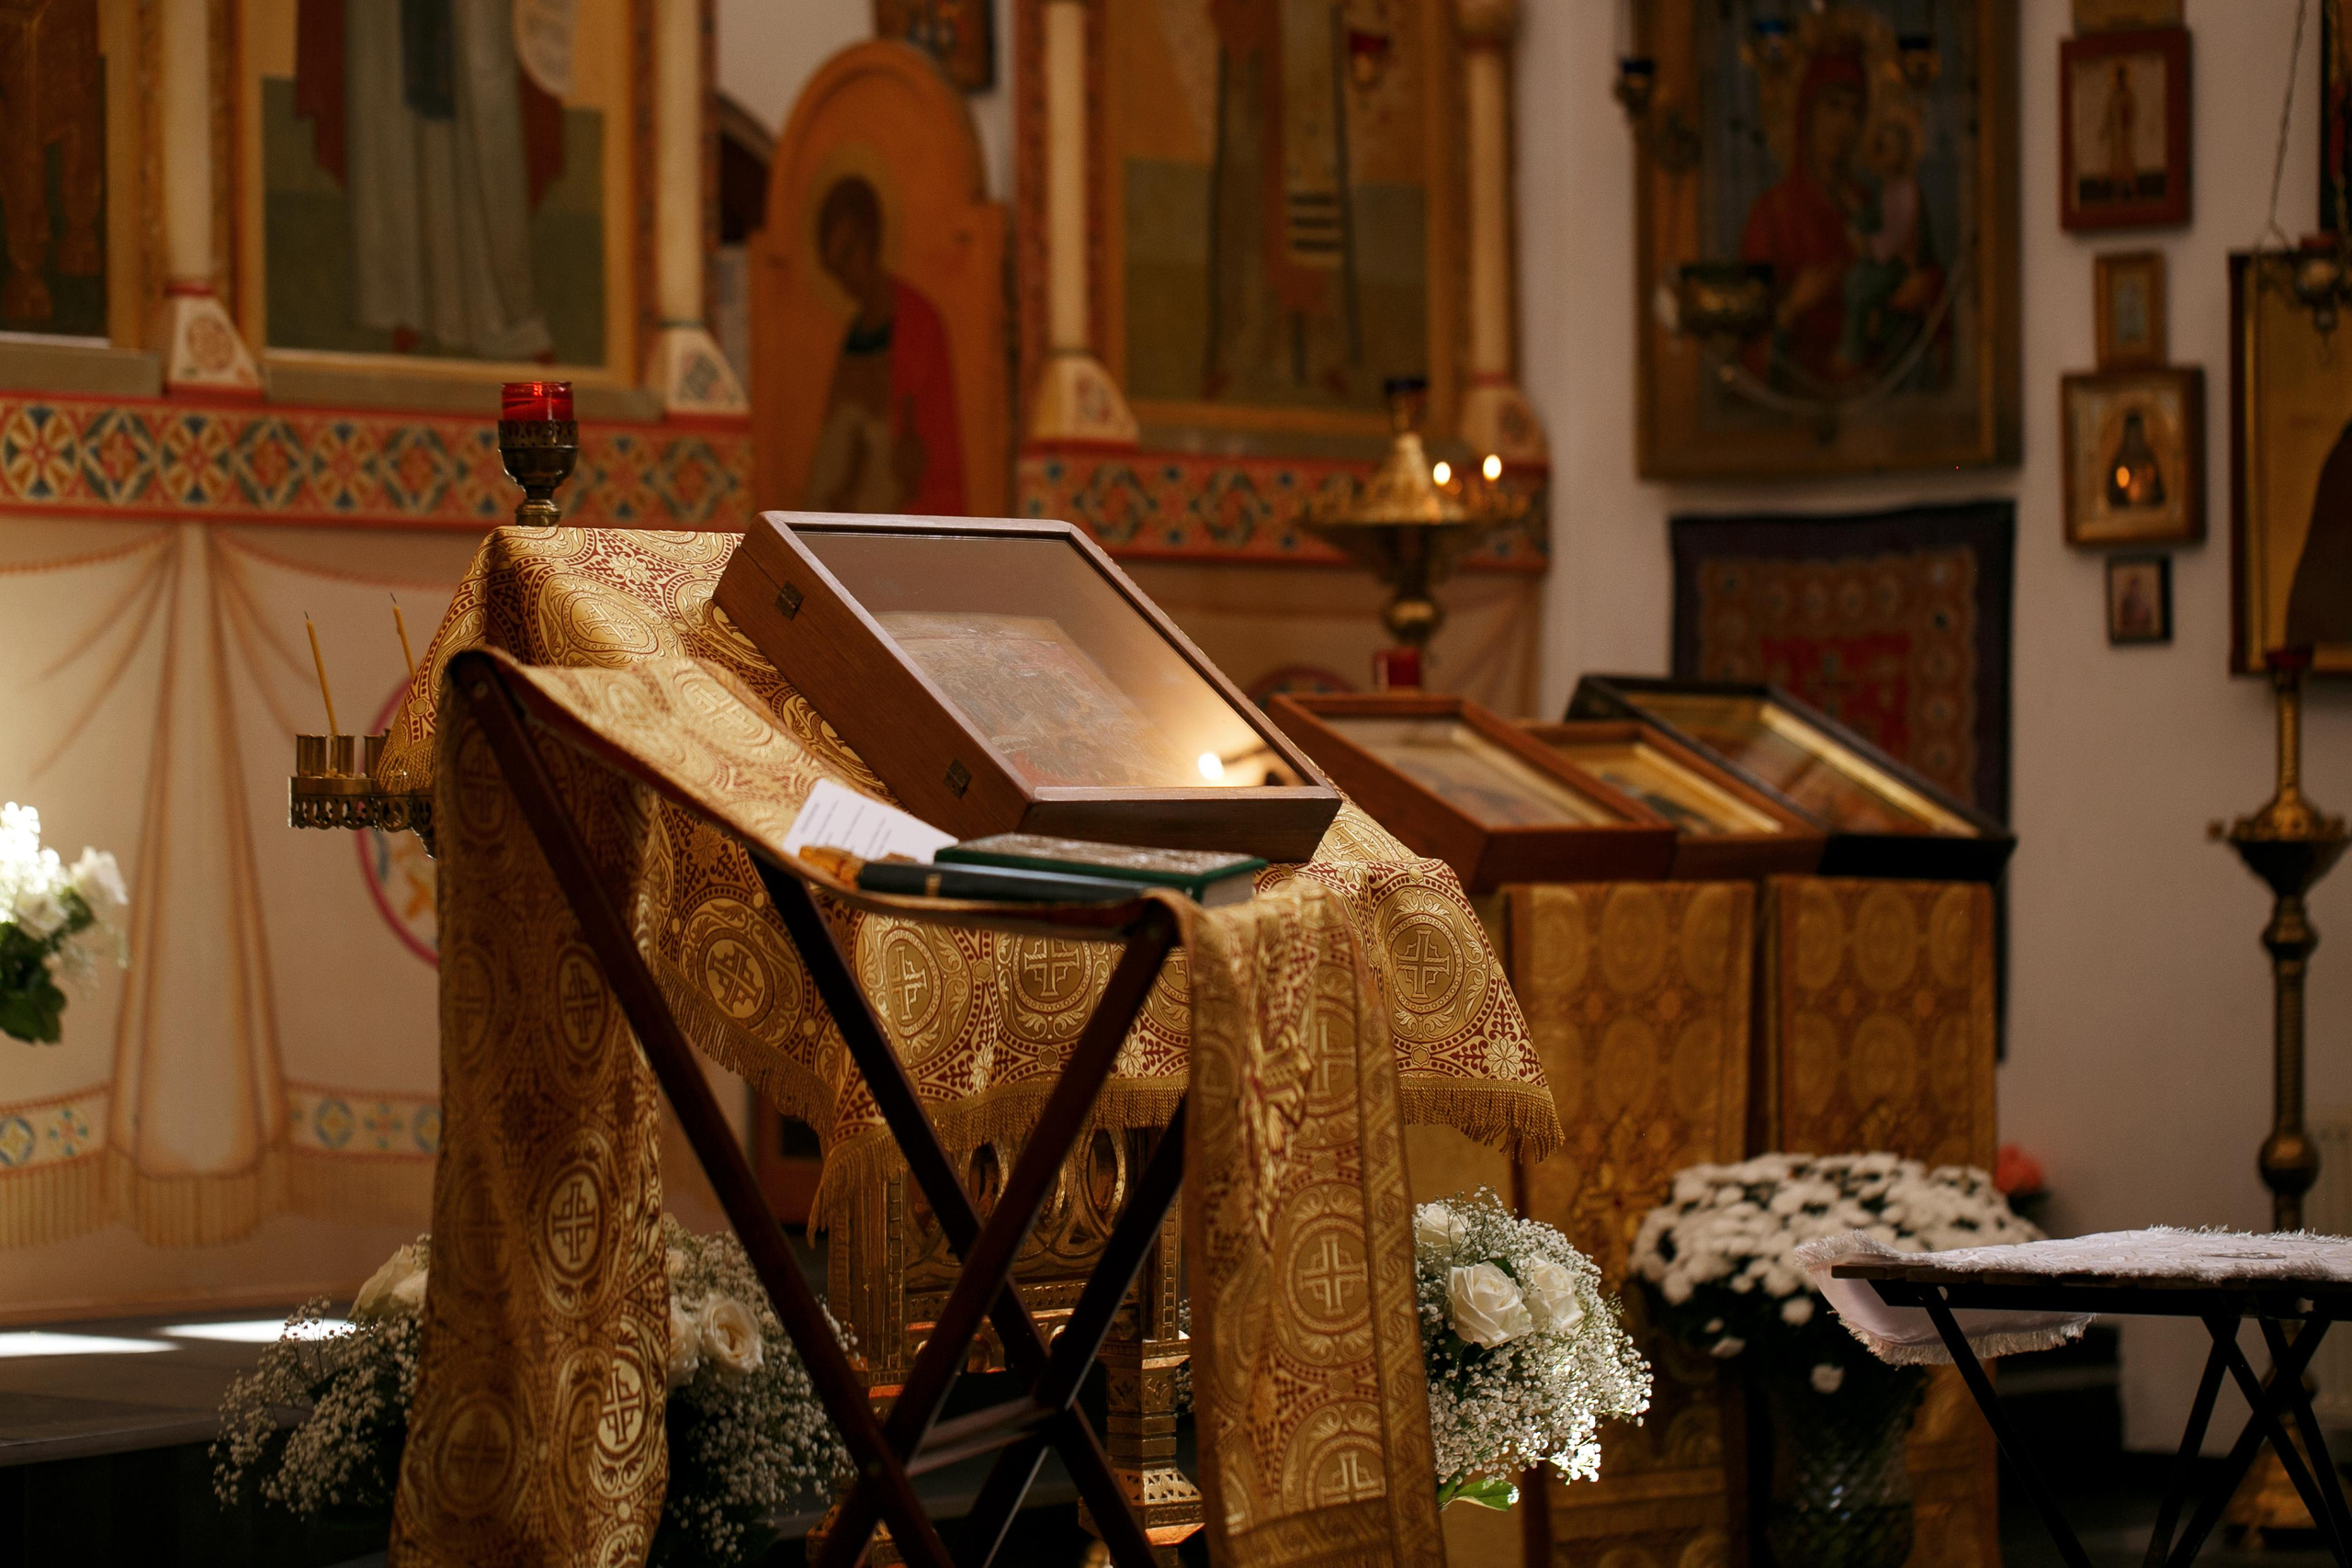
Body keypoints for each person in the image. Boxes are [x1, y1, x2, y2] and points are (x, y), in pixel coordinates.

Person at [803, 176, 966, 515]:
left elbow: (931, 446)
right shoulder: (854, 335)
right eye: (835, 267)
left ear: (872, 237)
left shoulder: (918, 321)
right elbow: (838, 442)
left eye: (849, 254)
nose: (845, 277)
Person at [1741, 47, 1871, 389]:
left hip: (1874, 405)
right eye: (1833, 106)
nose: (1844, 123)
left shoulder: (1869, 204)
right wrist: (1793, 306)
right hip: (1796, 399)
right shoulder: (1771, 213)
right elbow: (1748, 348)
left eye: (1855, 112)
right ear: (1806, 113)